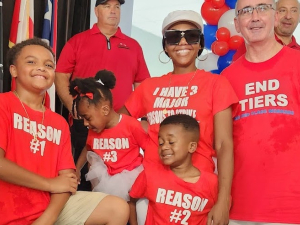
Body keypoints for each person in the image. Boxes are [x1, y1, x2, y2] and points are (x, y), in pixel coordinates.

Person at [119, 10, 238, 225]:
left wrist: (222, 201)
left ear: (200, 43)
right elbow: (117, 124)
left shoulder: (216, 84)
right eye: (174, 37)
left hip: (197, 198)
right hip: (153, 192)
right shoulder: (148, 87)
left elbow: (224, 145)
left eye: (191, 36)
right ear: (165, 45)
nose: (182, 42)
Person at [0, 38, 129, 225]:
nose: (41, 68)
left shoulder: (58, 122)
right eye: (31, 62)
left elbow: (66, 181)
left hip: (49, 207)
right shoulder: (4, 105)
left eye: (48, 65)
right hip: (8, 206)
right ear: (13, 70)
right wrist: (49, 184)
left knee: (117, 208)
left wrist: (46, 219)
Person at [55, 0, 150, 190]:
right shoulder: (77, 41)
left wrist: (144, 117)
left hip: (124, 127)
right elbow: (61, 75)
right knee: (85, 180)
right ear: (96, 11)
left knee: (128, 180)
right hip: (87, 121)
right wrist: (72, 106)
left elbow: (142, 85)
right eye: (107, 6)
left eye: (117, 6)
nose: (113, 11)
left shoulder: (133, 45)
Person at [221, 0, 300, 223]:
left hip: (292, 207)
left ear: (275, 17)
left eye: (262, 8)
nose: (255, 17)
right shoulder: (227, 78)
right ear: (237, 24)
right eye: (246, 12)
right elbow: (222, 144)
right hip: (240, 209)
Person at [70, 70, 149, 201]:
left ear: (105, 110)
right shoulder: (93, 131)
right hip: (105, 178)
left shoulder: (131, 125)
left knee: (130, 205)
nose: (85, 123)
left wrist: (149, 173)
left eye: (87, 118)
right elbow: (88, 149)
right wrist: (77, 169)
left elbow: (148, 149)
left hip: (130, 177)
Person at [129, 114, 218, 225]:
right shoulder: (150, 175)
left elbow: (222, 209)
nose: (164, 147)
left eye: (171, 142)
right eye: (161, 143)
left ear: (191, 147)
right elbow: (131, 201)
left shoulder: (212, 183)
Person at [233, 0, 300, 61]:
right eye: (282, 10)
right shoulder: (251, 46)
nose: (288, 16)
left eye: (294, 11)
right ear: (275, 16)